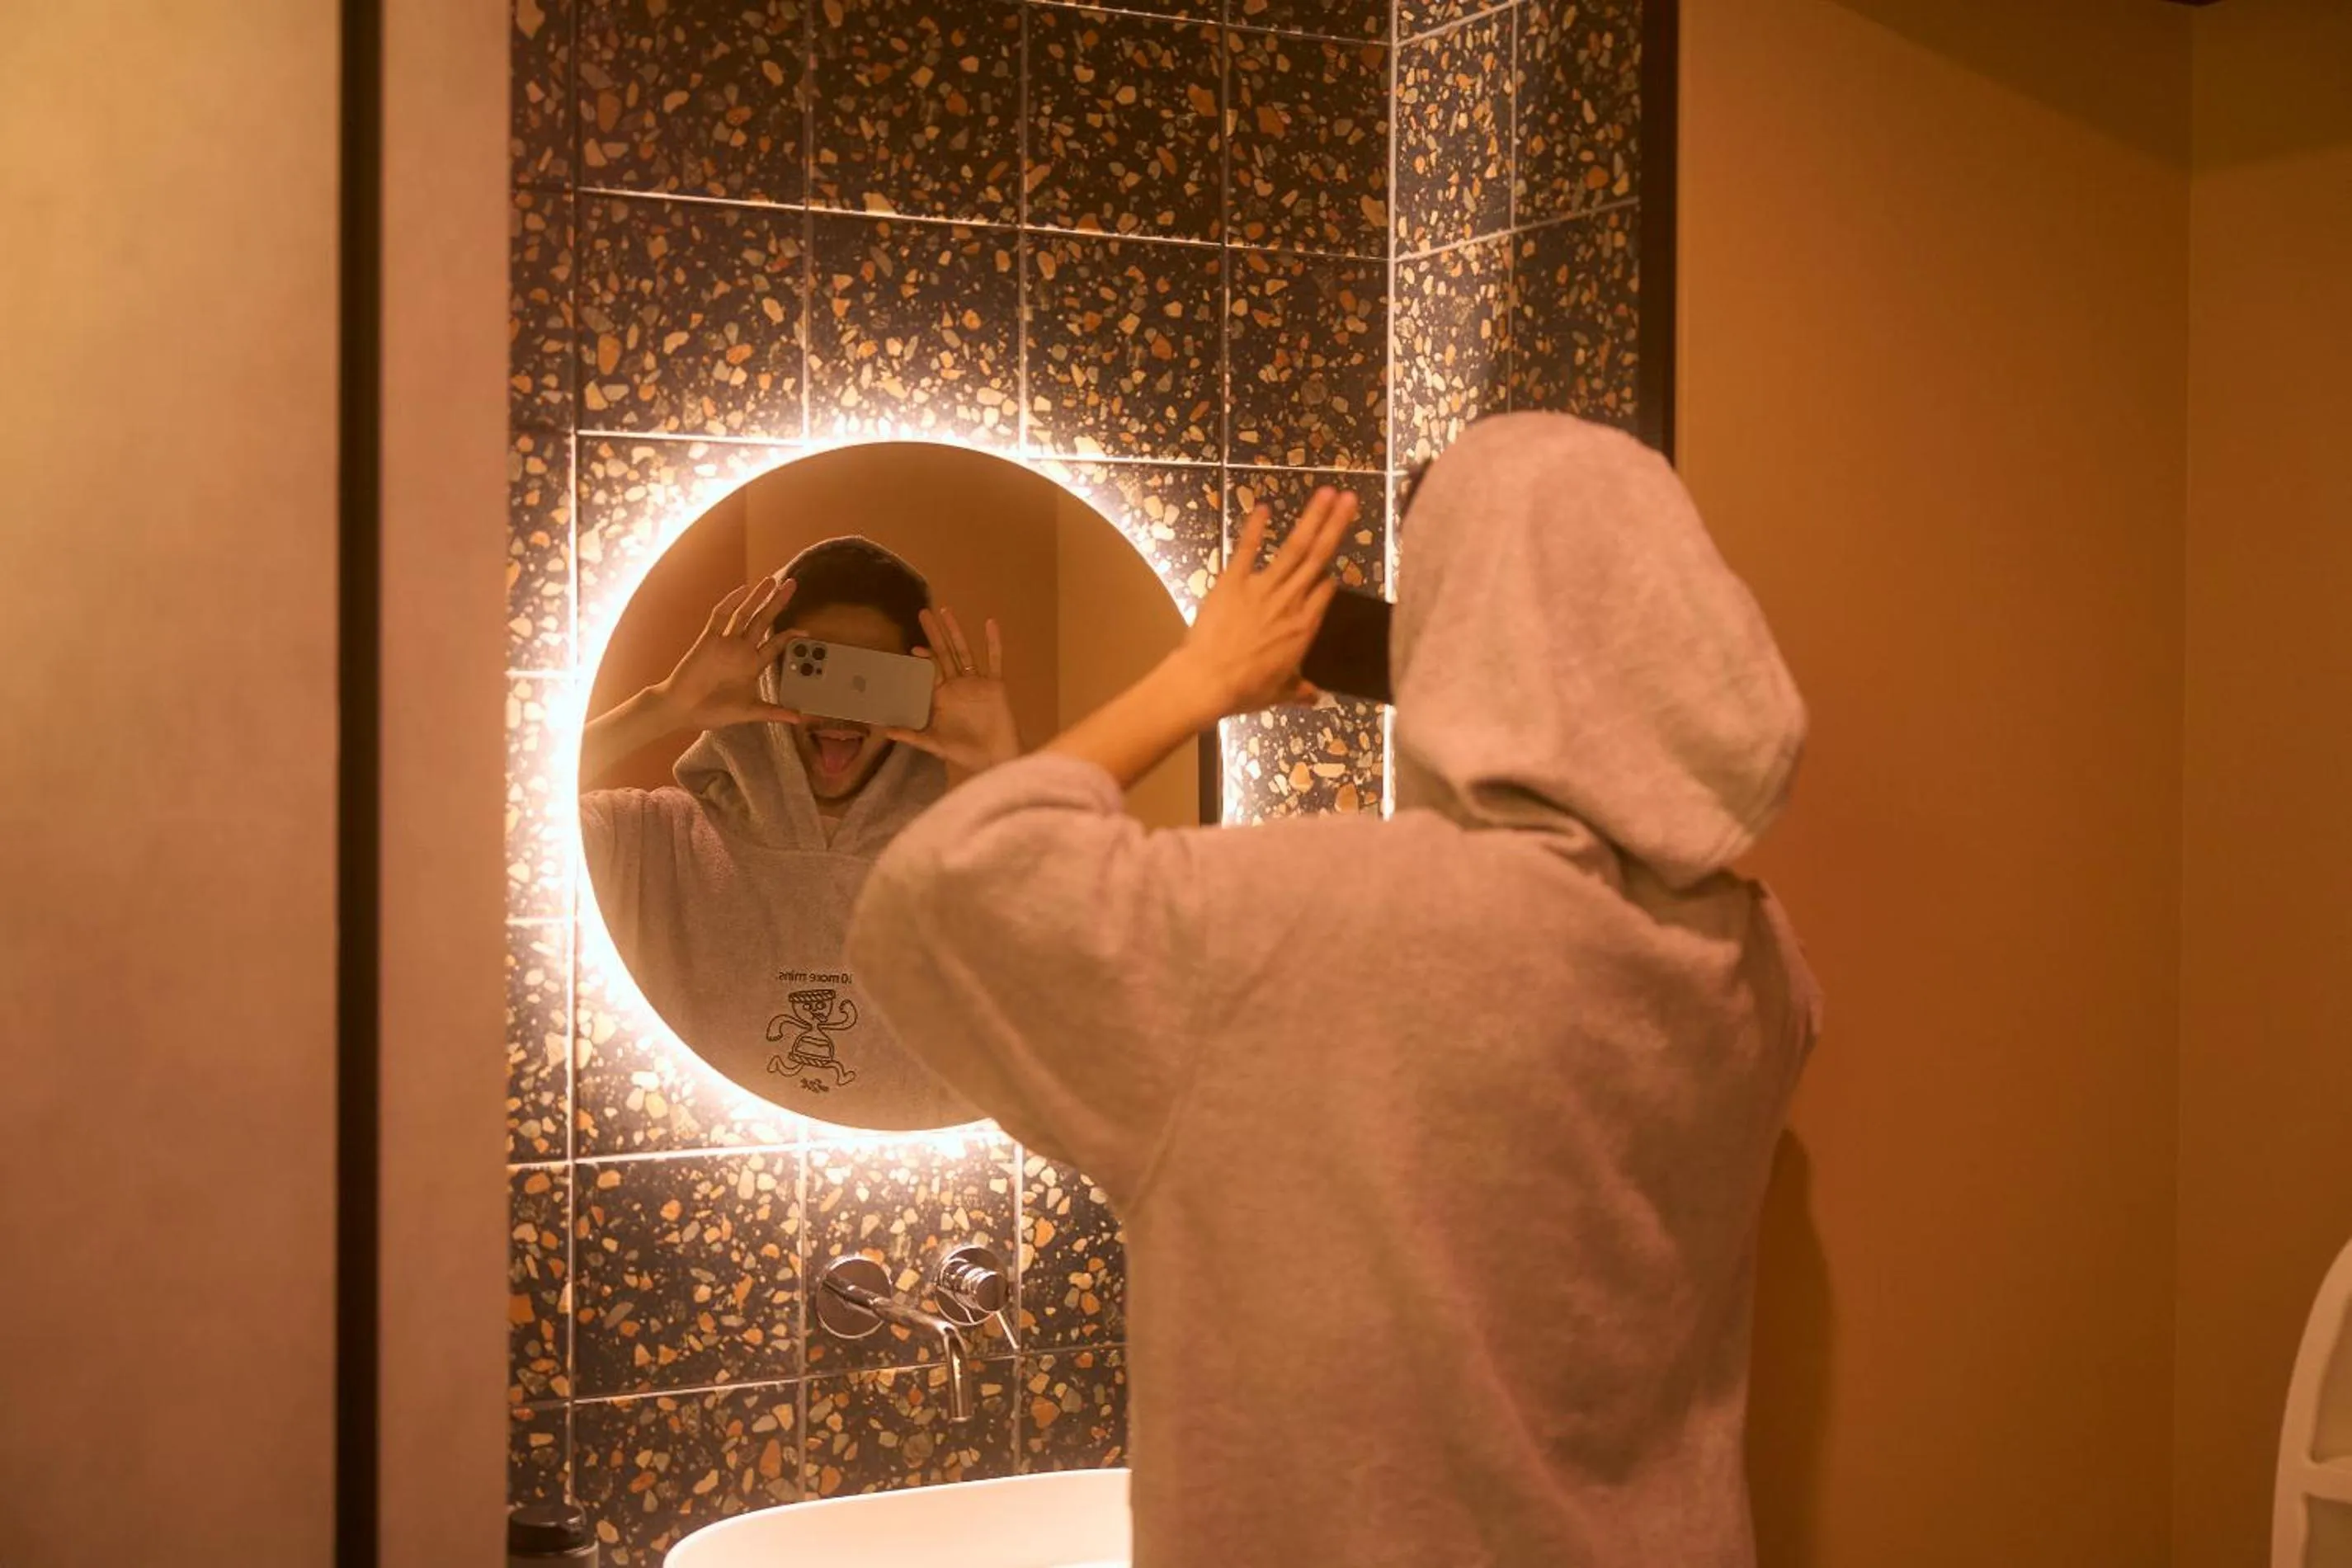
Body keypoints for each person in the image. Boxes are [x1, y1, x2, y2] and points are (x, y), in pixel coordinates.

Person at [846, 414, 1822, 1566]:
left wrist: (1198, 677)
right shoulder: (1758, 965)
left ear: (1461, 637)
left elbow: (937, 893)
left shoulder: (1310, 929)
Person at [579, 536, 1021, 1124]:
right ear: (770, 676)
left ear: (913, 693)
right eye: (818, 668)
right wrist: (664, 705)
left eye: (871, 679)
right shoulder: (646, 839)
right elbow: (467, 820)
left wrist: (1009, 768)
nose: (843, 711)